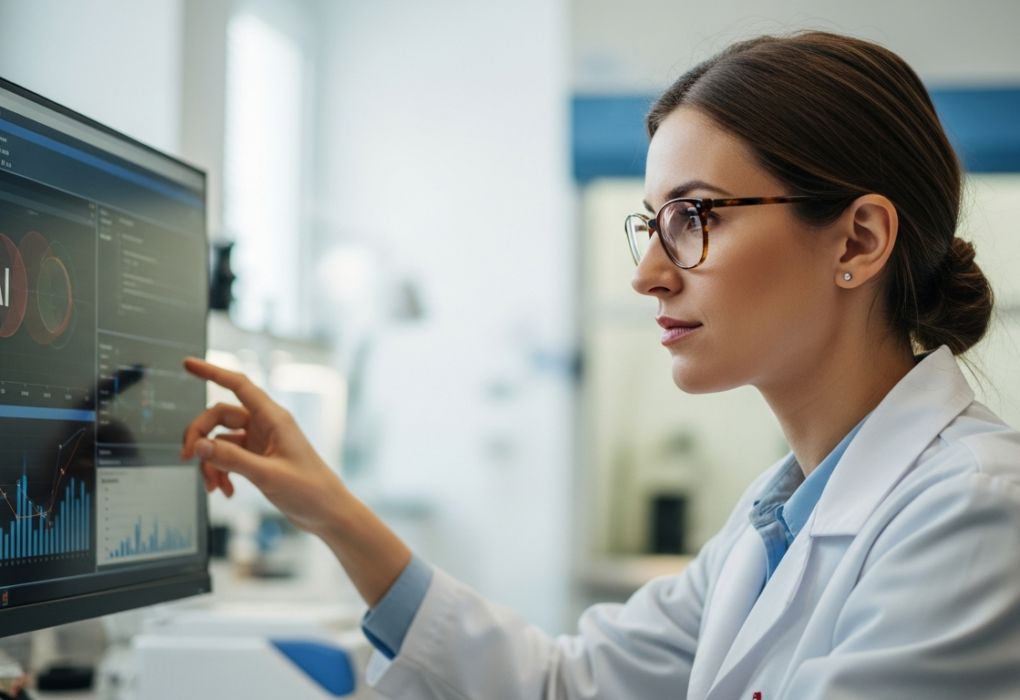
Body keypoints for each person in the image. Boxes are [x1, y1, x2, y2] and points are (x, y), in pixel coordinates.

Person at [180, 31, 1020, 700]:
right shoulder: (774, 519)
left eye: (695, 217)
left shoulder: (973, 514)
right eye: (651, 224)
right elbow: (566, 684)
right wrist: (331, 511)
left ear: (859, 241)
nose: (648, 274)